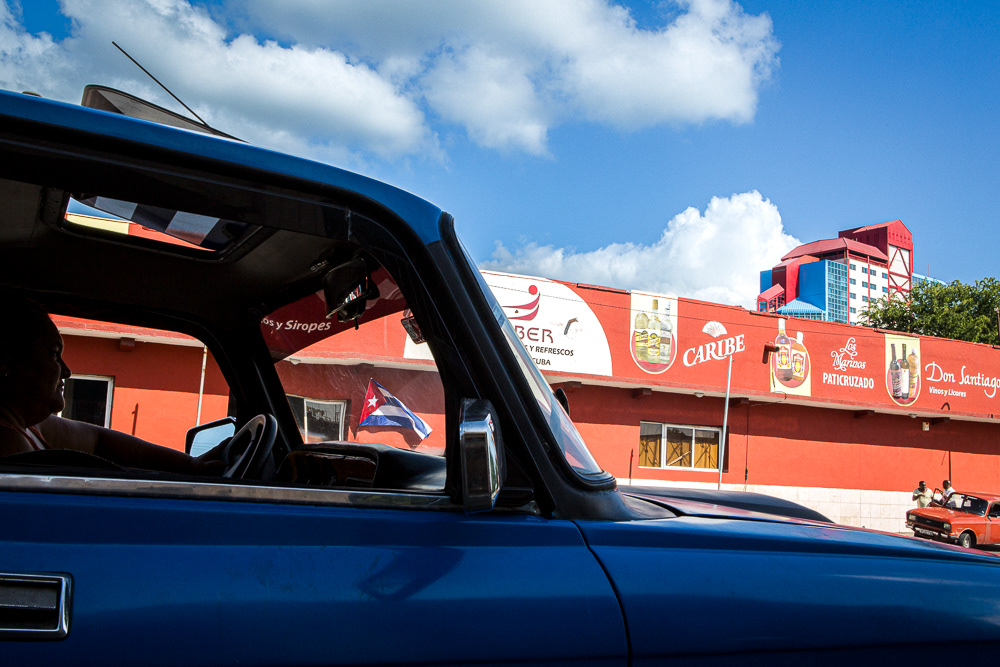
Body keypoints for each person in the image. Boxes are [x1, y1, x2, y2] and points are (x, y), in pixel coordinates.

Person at [0, 296, 221, 474]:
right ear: (5, 361)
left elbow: (98, 441)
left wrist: (191, 466)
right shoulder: (9, 445)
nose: (66, 371)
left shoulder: (29, 426)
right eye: (53, 354)